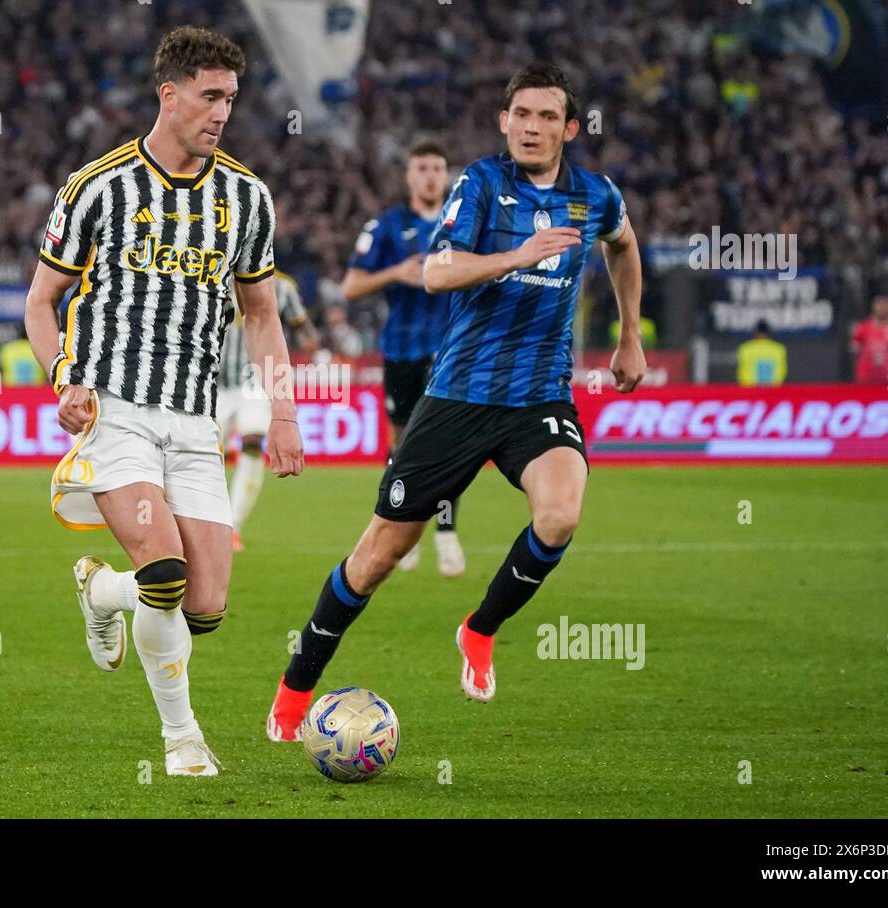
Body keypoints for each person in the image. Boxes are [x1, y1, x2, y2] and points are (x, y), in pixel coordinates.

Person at [266, 62, 646, 739]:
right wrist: (517, 256)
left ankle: (479, 629)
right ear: (505, 121)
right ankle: (296, 687)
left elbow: (624, 244)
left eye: (547, 117)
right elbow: (438, 272)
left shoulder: (596, 196)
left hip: (538, 397)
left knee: (560, 515)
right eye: (521, 115)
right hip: (459, 395)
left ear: (570, 128)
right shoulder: (479, 184)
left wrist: (630, 336)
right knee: (378, 554)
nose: (532, 127)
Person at [23, 26, 304, 776]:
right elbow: (41, 305)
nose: (222, 112)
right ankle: (183, 740)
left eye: (232, 100)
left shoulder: (247, 197)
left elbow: (261, 314)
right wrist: (63, 379)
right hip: (115, 411)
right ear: (169, 93)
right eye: (210, 97)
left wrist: (283, 411)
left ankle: (99, 590)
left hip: (194, 420)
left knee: (205, 604)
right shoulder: (97, 186)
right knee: (166, 575)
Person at [343, 140, 465, 577]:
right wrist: (396, 272)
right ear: (409, 176)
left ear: (446, 174)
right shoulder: (387, 226)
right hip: (401, 349)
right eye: (422, 167)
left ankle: (446, 532)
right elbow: (351, 286)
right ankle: (398, 528)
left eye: (437, 167)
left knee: (450, 443)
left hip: (451, 349)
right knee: (402, 444)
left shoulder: (463, 222)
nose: (431, 175)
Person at [216, 271, 318, 550]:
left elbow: (304, 327)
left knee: (252, 442)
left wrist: (310, 347)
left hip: (254, 383)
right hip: (213, 383)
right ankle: (209, 522)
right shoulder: (213, 274)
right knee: (205, 453)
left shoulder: (283, 286)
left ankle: (233, 526)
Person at [851, 295, 888, 385]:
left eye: (885, 305)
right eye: (879, 304)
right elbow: (854, 349)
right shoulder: (863, 327)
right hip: (866, 376)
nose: (882, 308)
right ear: (873, 307)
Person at [736, 318, 787, 386]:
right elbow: (782, 372)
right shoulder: (778, 349)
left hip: (751, 391)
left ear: (755, 332)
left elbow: (742, 373)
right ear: (768, 332)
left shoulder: (746, 348)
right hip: (773, 392)